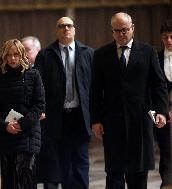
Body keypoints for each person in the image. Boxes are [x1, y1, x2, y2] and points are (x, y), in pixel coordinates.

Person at [90, 12, 169, 189]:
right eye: (117, 31)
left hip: (140, 120)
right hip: (113, 122)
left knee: (138, 174)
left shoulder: (148, 51)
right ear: (112, 32)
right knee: (114, 174)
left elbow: (158, 85)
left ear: (133, 28)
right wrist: (95, 119)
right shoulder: (101, 54)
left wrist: (162, 112)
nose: (122, 34)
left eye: (125, 30)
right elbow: (95, 90)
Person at [34, 17, 94, 189]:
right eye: (62, 26)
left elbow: (96, 87)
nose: (66, 28)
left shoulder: (88, 53)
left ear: (74, 29)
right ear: (57, 30)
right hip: (57, 117)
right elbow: (38, 87)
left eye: (69, 26)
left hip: (80, 115)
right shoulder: (45, 55)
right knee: (64, 161)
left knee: (81, 160)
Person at [0, 39, 45, 189]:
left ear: (22, 55)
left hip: (28, 134)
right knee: (9, 181)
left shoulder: (33, 75)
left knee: (26, 177)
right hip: (5, 134)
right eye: (9, 55)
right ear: (4, 56)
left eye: (16, 54)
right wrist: (5, 125)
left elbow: (39, 105)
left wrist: (22, 123)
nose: (13, 58)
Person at [156, 19, 172, 188]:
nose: (169, 41)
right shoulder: (156, 58)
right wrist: (160, 113)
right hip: (162, 116)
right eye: (165, 37)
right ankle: (166, 184)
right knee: (165, 151)